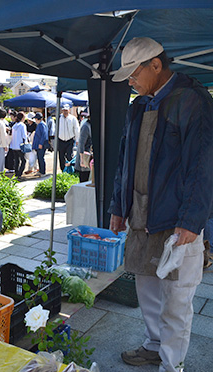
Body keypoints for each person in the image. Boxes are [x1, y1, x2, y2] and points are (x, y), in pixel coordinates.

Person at [108, 37, 213, 372]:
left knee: (177, 298)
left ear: (156, 65)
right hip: (141, 215)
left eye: (133, 73)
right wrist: (117, 206)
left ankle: (172, 365)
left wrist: (192, 219)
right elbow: (125, 160)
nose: (130, 81)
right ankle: (153, 344)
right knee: (146, 284)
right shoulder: (138, 105)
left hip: (177, 219)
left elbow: (203, 163)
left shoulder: (191, 100)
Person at [57, 104, 79, 171]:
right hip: (61, 140)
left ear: (69, 110)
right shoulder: (59, 118)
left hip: (70, 140)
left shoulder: (73, 118)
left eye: (66, 110)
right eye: (64, 110)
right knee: (61, 157)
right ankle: (63, 170)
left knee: (69, 156)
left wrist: (77, 139)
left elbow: (76, 129)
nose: (65, 112)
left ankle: (71, 170)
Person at [74, 111, 92, 182]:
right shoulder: (86, 126)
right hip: (84, 158)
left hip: (89, 158)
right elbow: (81, 144)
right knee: (84, 180)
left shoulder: (91, 125)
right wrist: (82, 160)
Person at [9, 111, 28, 180]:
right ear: (23, 118)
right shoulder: (22, 125)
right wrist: (26, 142)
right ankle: (20, 173)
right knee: (23, 160)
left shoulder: (14, 125)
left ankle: (16, 173)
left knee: (16, 160)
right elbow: (24, 136)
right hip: (20, 145)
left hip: (14, 146)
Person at [32, 112, 49, 177]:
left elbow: (44, 135)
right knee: (39, 158)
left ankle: (42, 172)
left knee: (41, 158)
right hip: (39, 144)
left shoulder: (41, 125)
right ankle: (41, 171)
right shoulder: (41, 124)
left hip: (41, 145)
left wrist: (41, 143)